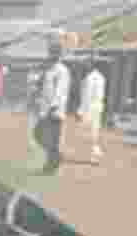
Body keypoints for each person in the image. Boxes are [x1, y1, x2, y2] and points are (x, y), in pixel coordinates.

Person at [35, 38, 71, 175]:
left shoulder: (62, 70)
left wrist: (54, 107)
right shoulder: (49, 69)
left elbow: (61, 91)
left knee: (52, 140)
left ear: (59, 54)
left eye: (55, 52)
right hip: (45, 109)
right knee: (38, 134)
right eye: (51, 52)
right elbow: (44, 88)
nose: (52, 54)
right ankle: (56, 157)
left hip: (54, 111)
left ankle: (51, 165)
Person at [79, 58, 107, 157]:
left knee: (88, 130)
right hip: (98, 104)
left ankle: (94, 151)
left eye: (86, 64)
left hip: (91, 105)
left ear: (91, 65)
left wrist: (81, 110)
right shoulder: (100, 77)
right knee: (94, 128)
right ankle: (94, 151)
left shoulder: (90, 78)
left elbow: (87, 95)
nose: (85, 66)